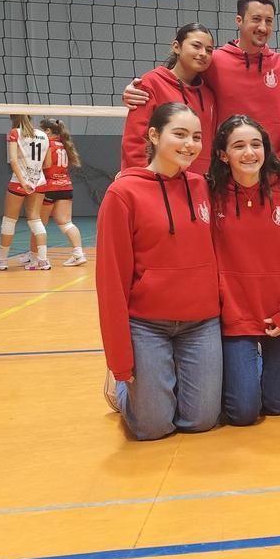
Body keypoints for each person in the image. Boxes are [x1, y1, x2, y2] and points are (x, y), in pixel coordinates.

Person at [96, 103, 221, 441]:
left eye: (196, 137)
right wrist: (120, 362)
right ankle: (121, 390)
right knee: (151, 428)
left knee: (201, 421)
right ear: (153, 135)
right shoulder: (122, 193)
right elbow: (111, 283)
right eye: (179, 134)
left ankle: (161, 383)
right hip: (147, 325)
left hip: (201, 322)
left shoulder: (202, 186)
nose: (189, 144)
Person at [208, 115, 280, 425]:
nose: (249, 153)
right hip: (234, 317)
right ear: (223, 154)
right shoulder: (211, 194)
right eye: (239, 146)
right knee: (243, 413)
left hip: (279, 317)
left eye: (255, 144)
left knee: (275, 405)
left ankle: (244, 371)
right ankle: (237, 371)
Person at [123, 0, 280, 160]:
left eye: (268, 21)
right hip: (224, 169)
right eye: (256, 19)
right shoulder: (214, 61)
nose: (263, 27)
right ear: (239, 20)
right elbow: (179, 80)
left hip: (270, 166)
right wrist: (139, 88)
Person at [121, 23, 217, 176]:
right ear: (176, 47)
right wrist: (140, 179)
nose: (203, 53)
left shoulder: (208, 95)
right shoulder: (150, 83)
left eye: (209, 50)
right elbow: (134, 141)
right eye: (196, 46)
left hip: (198, 183)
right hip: (158, 182)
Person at [0, 115, 51, 271]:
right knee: (35, 220)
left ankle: (2, 259)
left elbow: (13, 160)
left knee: (9, 220)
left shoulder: (15, 132)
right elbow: (47, 163)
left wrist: (23, 181)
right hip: (39, 181)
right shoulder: (43, 135)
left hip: (20, 182)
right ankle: (42, 260)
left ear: (13, 119)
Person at [34, 118, 87, 267]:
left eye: (42, 130)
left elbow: (47, 164)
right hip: (65, 186)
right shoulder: (64, 145)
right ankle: (78, 254)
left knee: (38, 223)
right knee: (66, 223)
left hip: (50, 187)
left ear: (48, 131)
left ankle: (34, 255)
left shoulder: (47, 144)